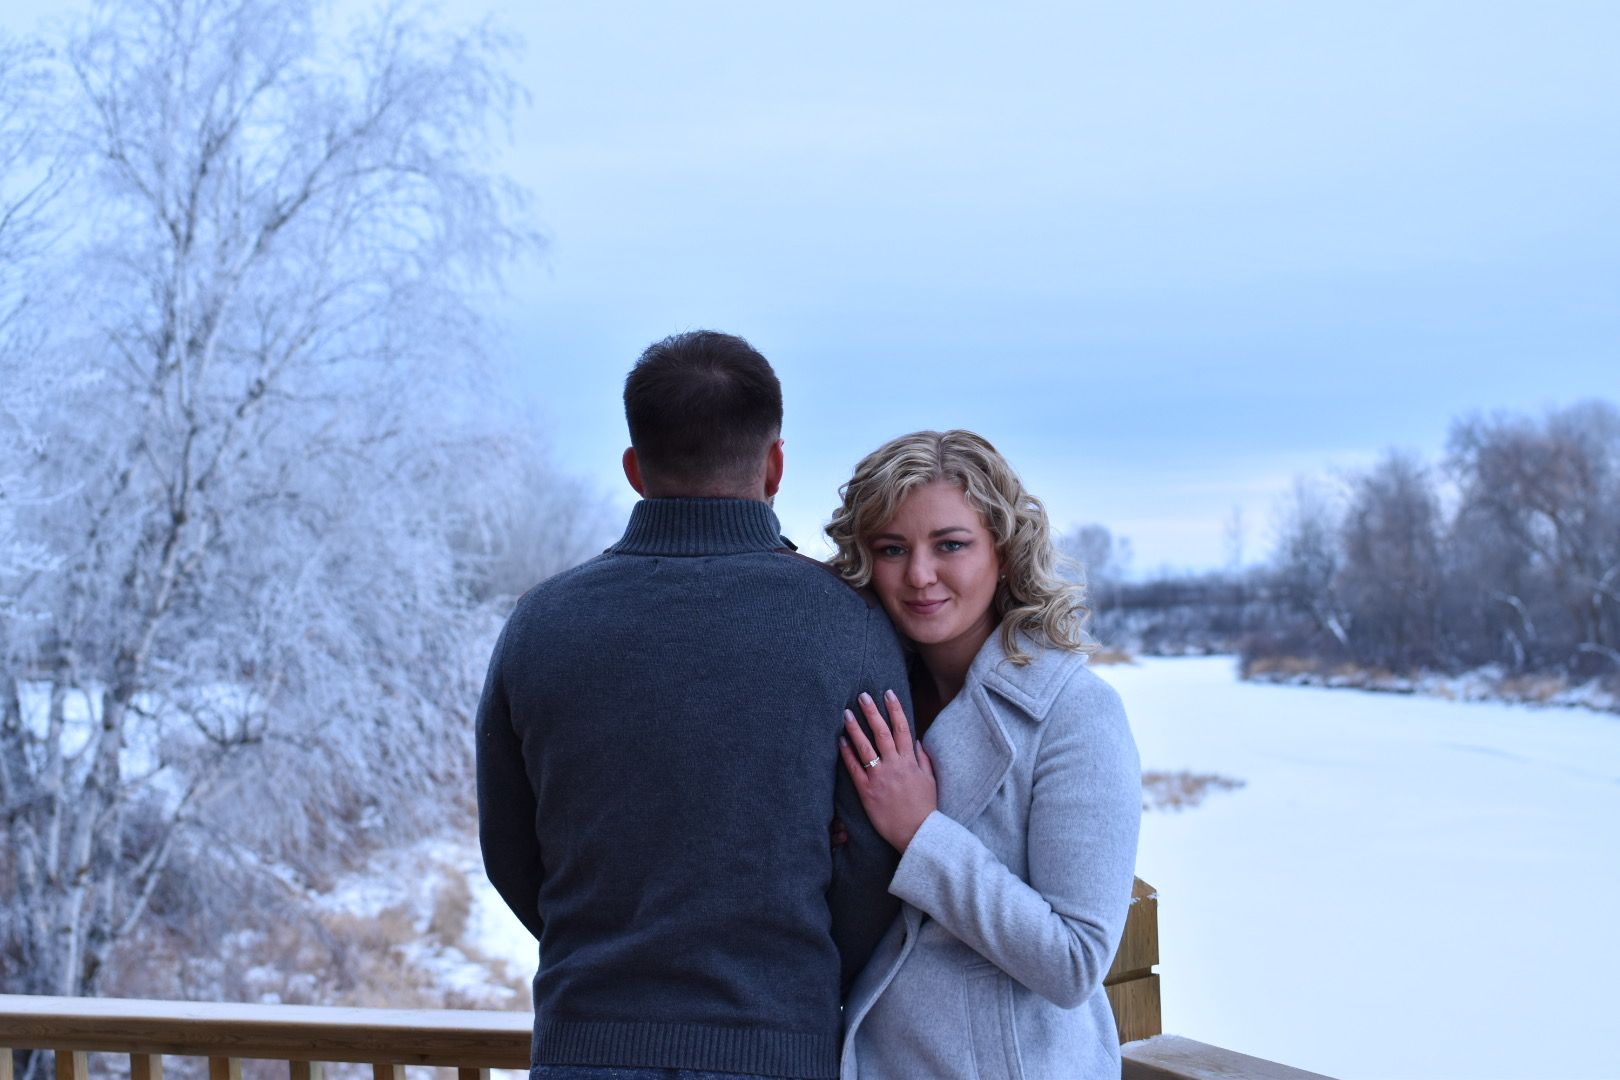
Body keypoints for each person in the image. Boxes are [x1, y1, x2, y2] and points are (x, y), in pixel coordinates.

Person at [476, 331, 910, 1080]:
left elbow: (510, 850)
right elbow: (874, 862)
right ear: (775, 465)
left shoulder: (540, 625)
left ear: (634, 469)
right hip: (778, 1047)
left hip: (586, 1046)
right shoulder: (847, 625)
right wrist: (794, 979)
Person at [825, 429, 1141, 1080]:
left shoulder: (1075, 712)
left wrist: (921, 834)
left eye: (951, 545)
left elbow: (1075, 960)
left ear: (1004, 548)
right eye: (892, 548)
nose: (919, 575)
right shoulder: (866, 701)